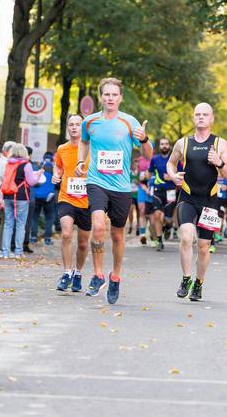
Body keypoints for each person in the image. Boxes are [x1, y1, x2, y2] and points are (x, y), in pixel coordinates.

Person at [76, 77, 152, 304]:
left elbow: (148, 154)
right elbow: (83, 141)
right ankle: (98, 274)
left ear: (120, 98)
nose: (110, 98)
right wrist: (82, 161)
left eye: (114, 94)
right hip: (96, 181)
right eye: (106, 94)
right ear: (101, 97)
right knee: (98, 227)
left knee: (117, 235)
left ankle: (115, 275)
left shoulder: (130, 122)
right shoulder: (89, 122)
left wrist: (145, 139)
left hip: (120, 186)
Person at [167, 102, 227, 301]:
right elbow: (171, 163)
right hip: (187, 197)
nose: (201, 117)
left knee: (204, 247)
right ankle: (186, 278)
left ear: (212, 118)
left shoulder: (220, 144)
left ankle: (199, 283)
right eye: (197, 114)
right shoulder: (183, 143)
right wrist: (173, 176)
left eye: (205, 114)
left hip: (210, 201)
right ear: (193, 117)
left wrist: (219, 162)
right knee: (186, 237)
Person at [52, 114, 91, 292]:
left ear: (83, 128)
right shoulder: (62, 148)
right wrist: (56, 175)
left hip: (87, 199)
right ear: (67, 127)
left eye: (78, 124)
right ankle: (67, 273)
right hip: (67, 196)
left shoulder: (92, 148)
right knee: (66, 234)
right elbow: (58, 166)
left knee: (83, 243)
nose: (74, 127)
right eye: (71, 124)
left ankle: (78, 273)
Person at [1, 143, 43, 259]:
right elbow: (31, 182)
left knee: (8, 224)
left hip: (8, 195)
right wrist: (38, 174)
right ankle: (18, 252)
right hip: (21, 197)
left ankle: (5, 252)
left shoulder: (8, 163)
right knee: (20, 224)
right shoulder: (26, 164)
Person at [148, 137, 180, 251]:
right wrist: (147, 182)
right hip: (158, 191)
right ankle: (160, 240)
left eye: (166, 144)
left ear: (169, 146)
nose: (164, 146)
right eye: (162, 144)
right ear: (159, 146)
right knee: (157, 215)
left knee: (168, 219)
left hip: (171, 192)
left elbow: (181, 175)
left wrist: (172, 177)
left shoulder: (175, 160)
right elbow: (150, 173)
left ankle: (168, 226)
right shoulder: (154, 159)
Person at [0, 140, 16, 257]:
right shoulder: (5, 163)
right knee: (6, 222)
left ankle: (0, 248)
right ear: (7, 151)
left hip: (1, 196)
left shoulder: (1, 161)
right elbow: (6, 181)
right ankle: (1, 249)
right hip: (4, 197)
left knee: (4, 222)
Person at [31, 151, 56, 245]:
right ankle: (47, 238)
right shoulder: (54, 169)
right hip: (49, 197)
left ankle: (33, 237)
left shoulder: (37, 167)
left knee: (35, 217)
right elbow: (57, 183)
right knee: (49, 217)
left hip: (37, 196)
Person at [137, 155, 151, 244]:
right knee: (142, 210)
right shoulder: (139, 159)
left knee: (151, 213)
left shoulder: (154, 158)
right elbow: (136, 174)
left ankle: (152, 233)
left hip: (151, 187)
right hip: (141, 187)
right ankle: (142, 235)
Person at [128, 158, 139, 235]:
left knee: (139, 212)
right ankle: (131, 226)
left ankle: (138, 226)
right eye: (135, 163)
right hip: (131, 194)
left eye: (137, 163)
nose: (136, 165)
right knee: (131, 210)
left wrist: (137, 182)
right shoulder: (129, 173)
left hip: (138, 194)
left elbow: (143, 183)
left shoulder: (140, 173)